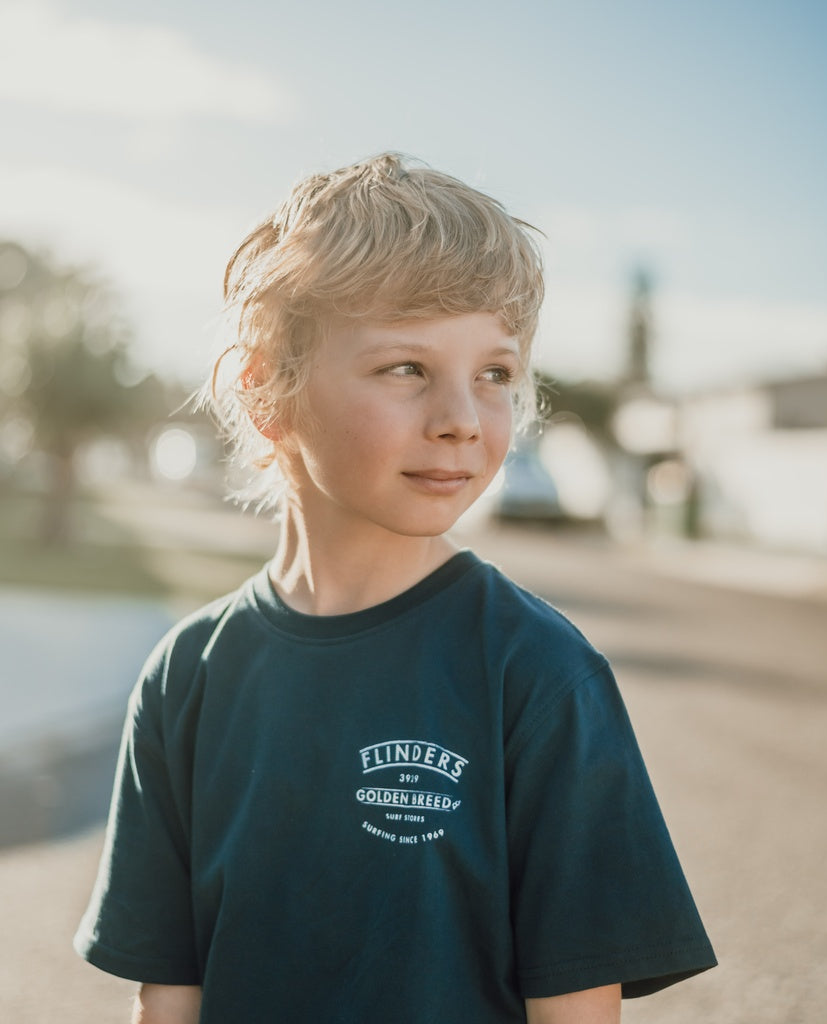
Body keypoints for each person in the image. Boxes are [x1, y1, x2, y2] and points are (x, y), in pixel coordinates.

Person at [74, 153, 716, 1023]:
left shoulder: (538, 673)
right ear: (269, 395)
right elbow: (169, 995)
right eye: (407, 368)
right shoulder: (187, 674)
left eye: (494, 373)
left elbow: (575, 1007)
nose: (461, 417)